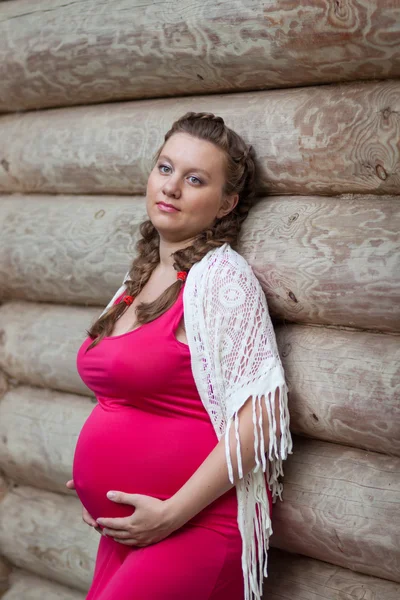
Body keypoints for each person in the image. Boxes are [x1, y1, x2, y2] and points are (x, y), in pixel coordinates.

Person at [66, 112, 293, 600]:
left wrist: (170, 513)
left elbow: (264, 418)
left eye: (195, 179)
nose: (171, 188)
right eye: (165, 169)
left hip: (194, 525)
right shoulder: (140, 278)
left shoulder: (222, 280)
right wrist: (97, 482)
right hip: (136, 524)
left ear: (226, 203)